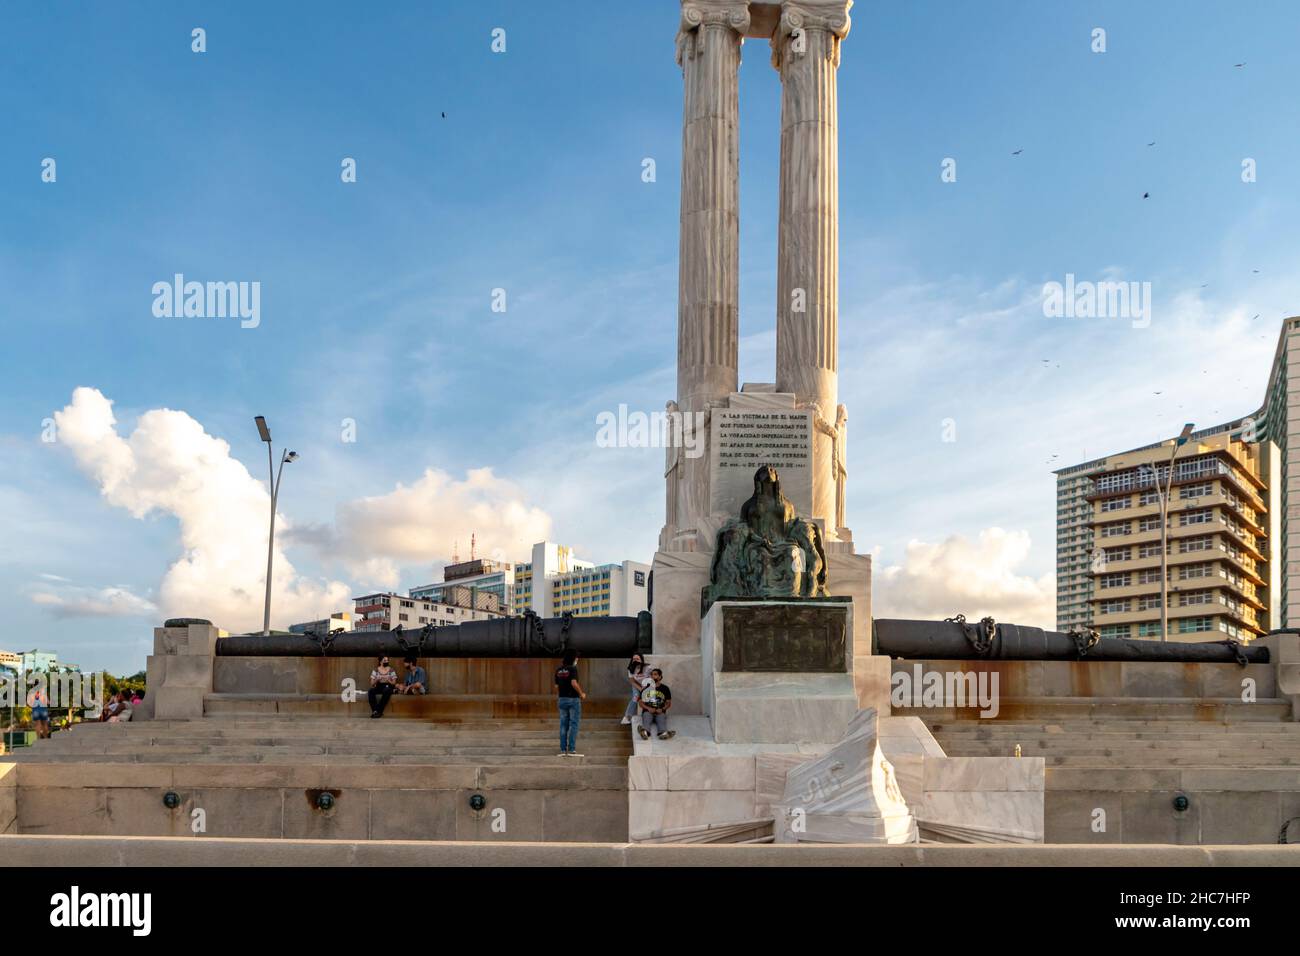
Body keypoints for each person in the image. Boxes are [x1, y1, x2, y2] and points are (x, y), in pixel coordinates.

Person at [554, 650, 586, 757]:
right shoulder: (573, 669)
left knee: (563, 724)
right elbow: (574, 683)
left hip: (562, 699)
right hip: (573, 699)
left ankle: (563, 749)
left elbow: (556, 686)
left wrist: (561, 696)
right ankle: (571, 749)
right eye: (576, 658)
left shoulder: (558, 670)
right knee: (574, 724)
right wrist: (581, 693)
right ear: (572, 658)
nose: (577, 660)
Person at [637, 668, 675, 741]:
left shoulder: (665, 688)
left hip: (660, 712)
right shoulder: (646, 689)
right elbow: (640, 703)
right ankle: (644, 732)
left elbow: (668, 703)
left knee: (661, 721)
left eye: (655, 674)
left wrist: (662, 709)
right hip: (648, 711)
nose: (652, 676)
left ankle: (663, 733)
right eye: (651, 675)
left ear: (660, 676)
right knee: (646, 720)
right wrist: (648, 708)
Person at [621, 653, 646, 725]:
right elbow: (632, 681)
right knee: (635, 696)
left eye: (637, 659)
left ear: (641, 660)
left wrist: (645, 688)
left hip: (646, 685)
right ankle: (627, 717)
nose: (635, 660)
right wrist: (640, 689)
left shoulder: (647, 668)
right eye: (634, 659)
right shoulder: (630, 669)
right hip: (636, 684)